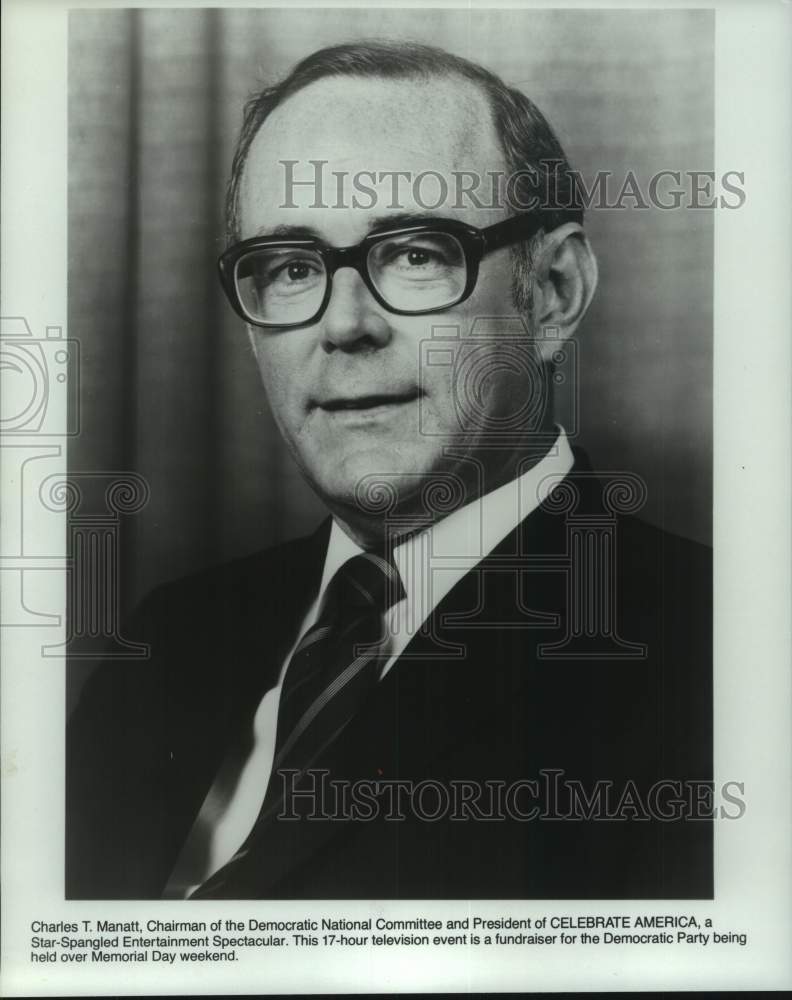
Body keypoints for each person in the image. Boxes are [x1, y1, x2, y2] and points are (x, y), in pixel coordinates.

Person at [67, 41, 712, 900]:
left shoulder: (715, 659)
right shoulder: (169, 637)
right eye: (291, 268)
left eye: (415, 253)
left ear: (553, 291)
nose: (344, 327)